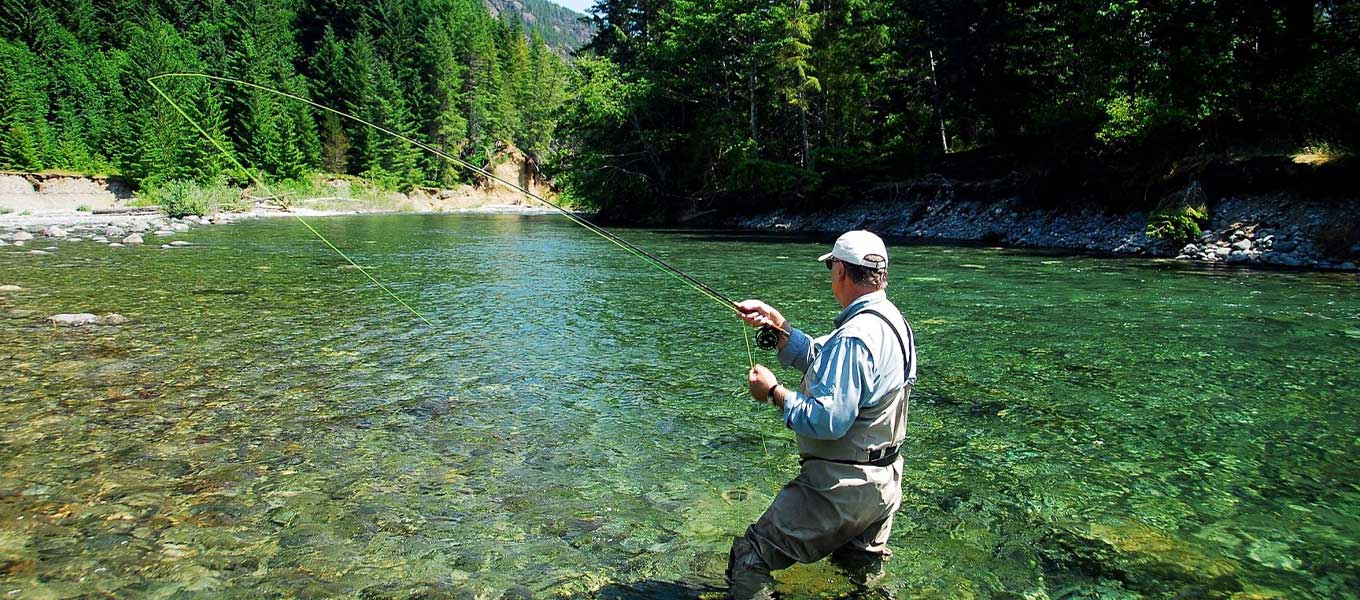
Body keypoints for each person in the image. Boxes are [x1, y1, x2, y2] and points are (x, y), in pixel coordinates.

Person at [729, 230, 917, 600]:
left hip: (842, 488)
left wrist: (773, 392)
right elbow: (832, 366)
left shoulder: (855, 335)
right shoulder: (893, 322)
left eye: (831, 267)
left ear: (842, 271)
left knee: (750, 556)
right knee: (858, 578)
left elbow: (827, 419)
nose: (831, 274)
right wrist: (780, 329)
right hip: (883, 484)